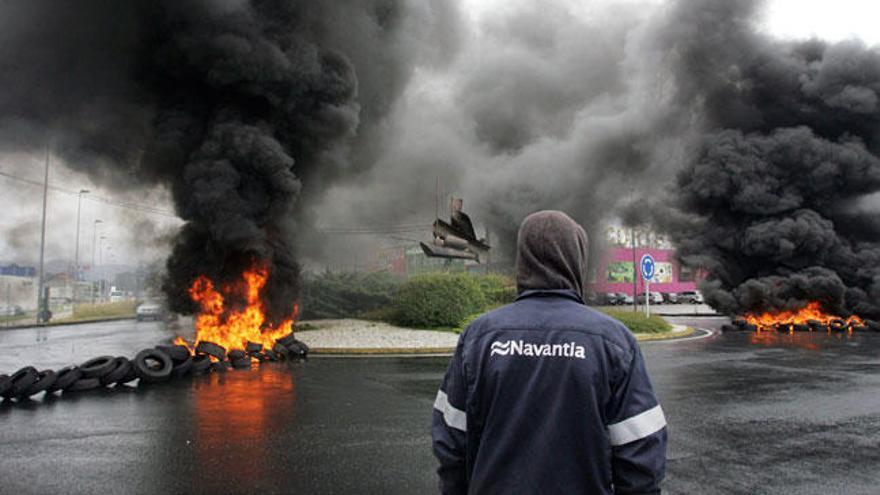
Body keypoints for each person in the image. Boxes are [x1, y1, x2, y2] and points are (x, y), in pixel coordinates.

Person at [431, 210, 667, 494]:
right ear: (577, 259)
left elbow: (451, 439)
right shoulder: (613, 342)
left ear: (523, 260)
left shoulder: (479, 338)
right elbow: (641, 451)